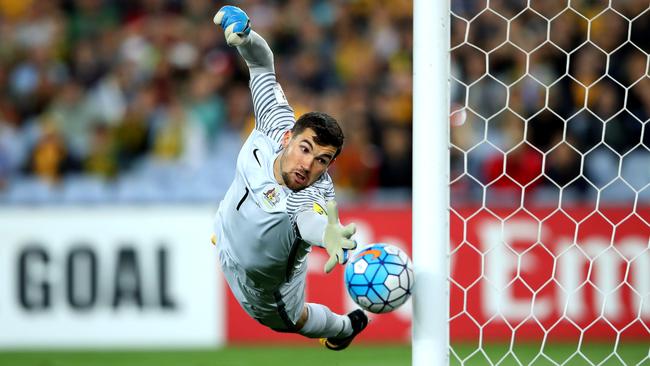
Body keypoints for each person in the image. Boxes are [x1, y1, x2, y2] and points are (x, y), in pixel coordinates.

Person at [210, 5, 368, 350]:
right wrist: (246, 37)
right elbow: (261, 64)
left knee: (293, 322)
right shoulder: (273, 122)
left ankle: (343, 328)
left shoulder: (313, 195)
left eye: (322, 160)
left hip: (265, 288)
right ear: (287, 138)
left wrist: (326, 234)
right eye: (305, 148)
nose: (308, 165)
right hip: (224, 233)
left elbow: (308, 221)